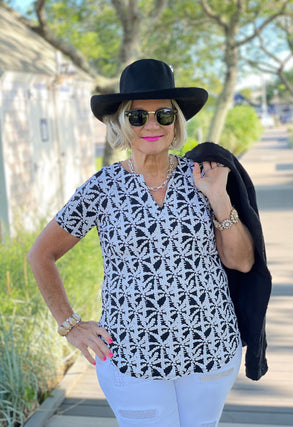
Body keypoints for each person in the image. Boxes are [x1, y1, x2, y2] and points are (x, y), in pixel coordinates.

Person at [28, 58, 259, 427]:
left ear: (176, 123)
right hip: (133, 359)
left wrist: (220, 199)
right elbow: (42, 254)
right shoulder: (102, 188)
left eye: (164, 115)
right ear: (122, 124)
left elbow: (242, 262)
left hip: (211, 352)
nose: (152, 124)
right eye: (138, 117)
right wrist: (71, 326)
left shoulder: (205, 175)